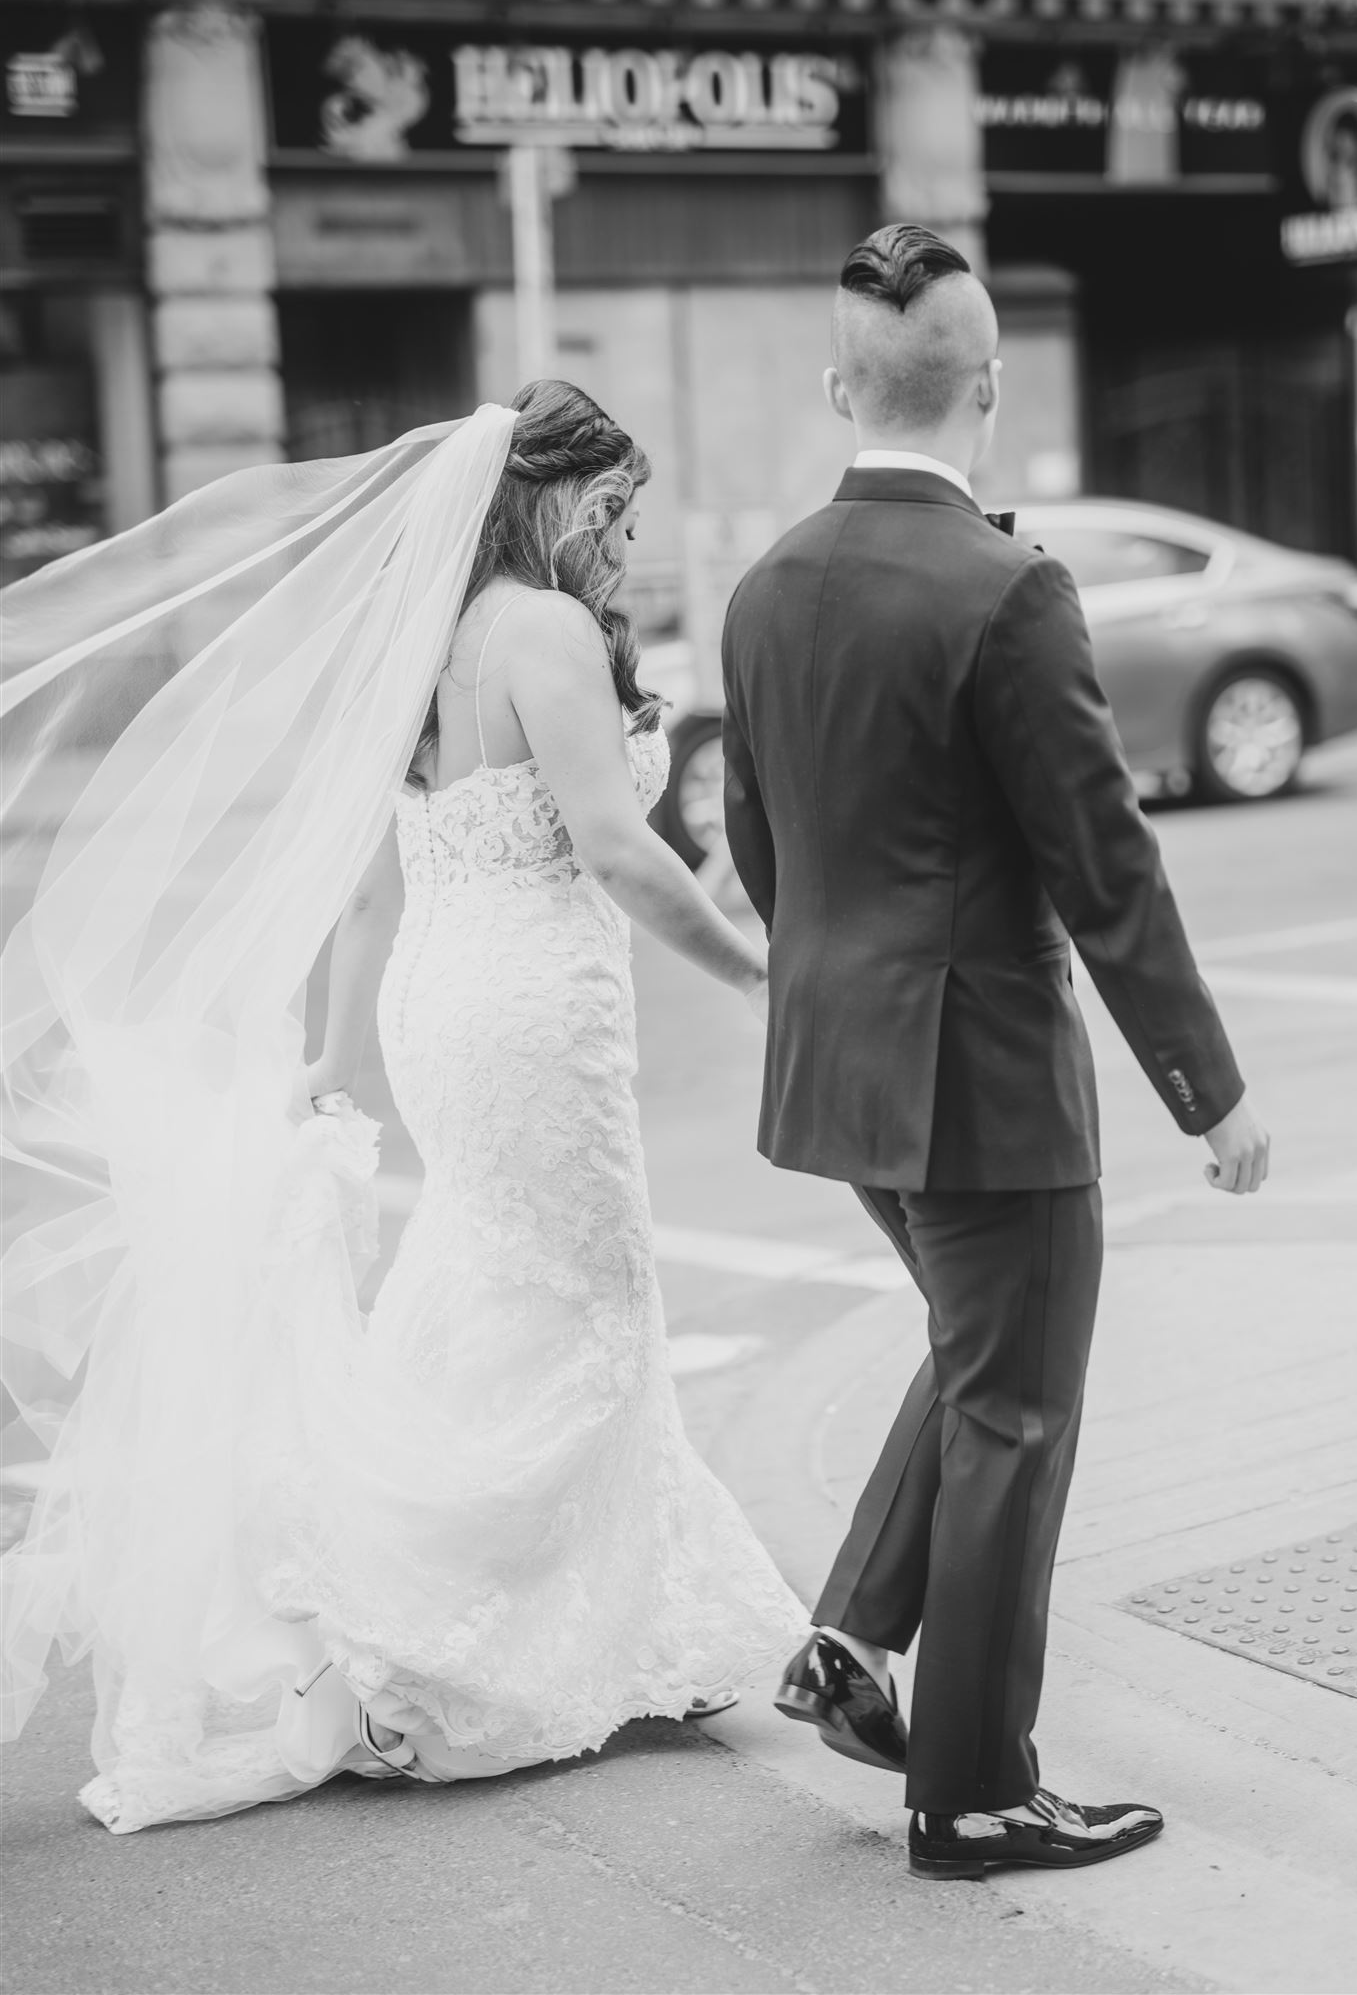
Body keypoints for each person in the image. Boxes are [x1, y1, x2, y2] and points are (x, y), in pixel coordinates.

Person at [0, 380, 806, 1833]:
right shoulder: (546, 631)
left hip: (444, 1003)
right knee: (589, 1293)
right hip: (531, 1010)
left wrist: (329, 1056)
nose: (626, 541)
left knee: (494, 1274)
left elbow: (372, 877)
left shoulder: (431, 631)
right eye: (614, 511)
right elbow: (619, 854)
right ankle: (462, 1629)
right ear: (554, 498)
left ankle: (626, 1612)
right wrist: (765, 976)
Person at [721, 224, 1270, 1881]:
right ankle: (971, 1789)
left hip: (842, 1070)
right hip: (988, 1085)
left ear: (839, 389)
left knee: (978, 1361)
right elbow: (1107, 865)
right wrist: (1211, 1086)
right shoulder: (1008, 587)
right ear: (994, 386)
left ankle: (850, 1641)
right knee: (1020, 1408)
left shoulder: (762, 586)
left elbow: (763, 850)